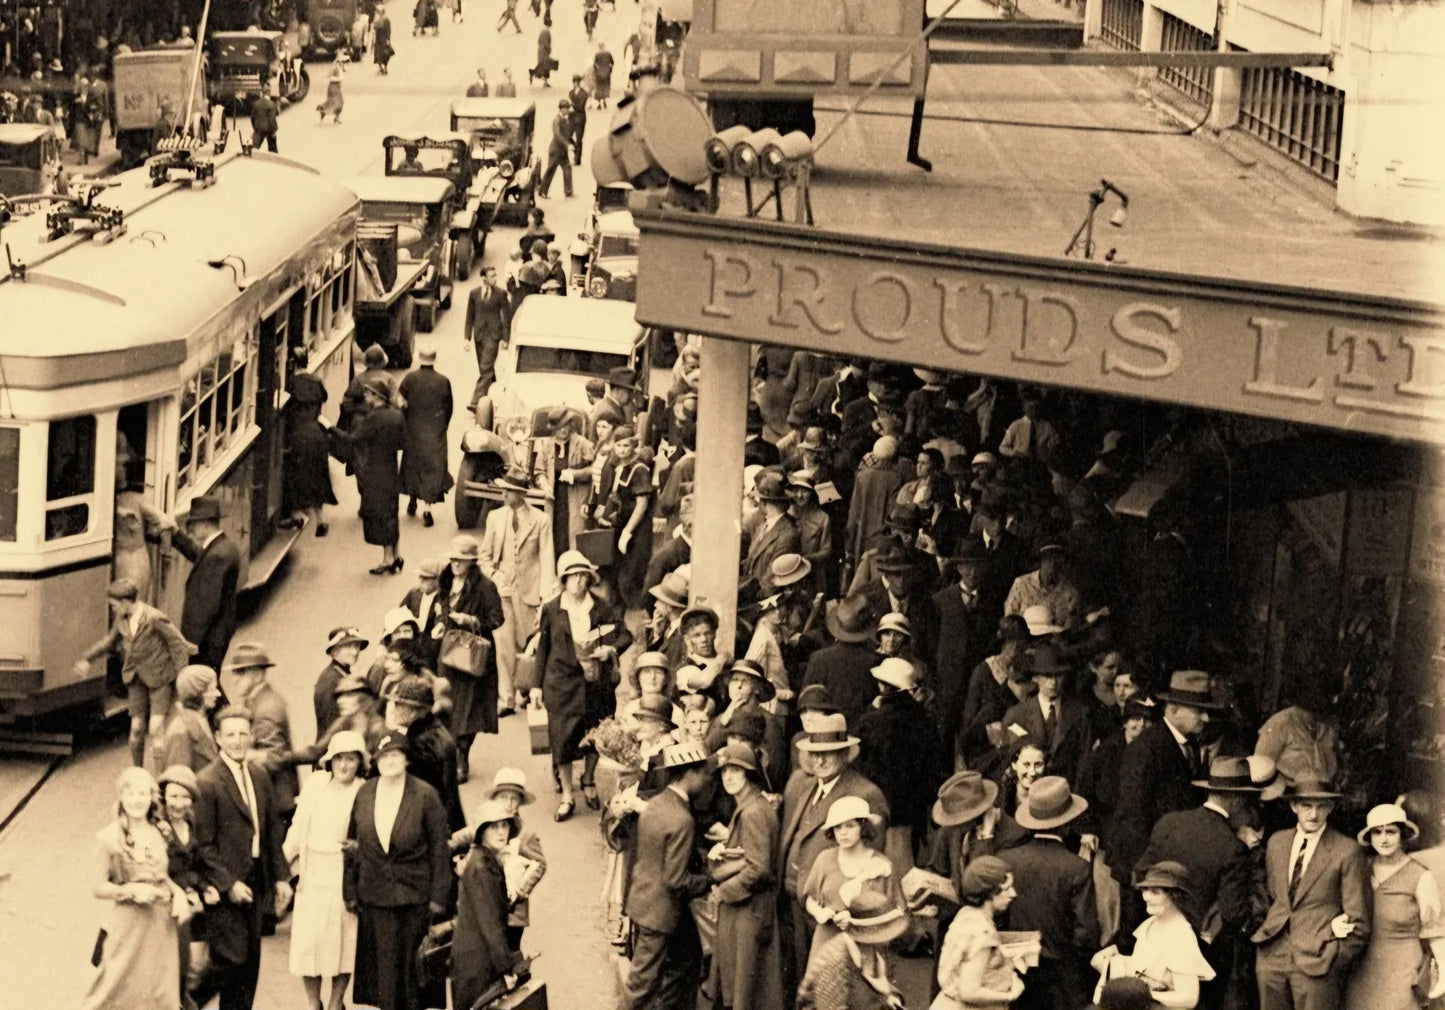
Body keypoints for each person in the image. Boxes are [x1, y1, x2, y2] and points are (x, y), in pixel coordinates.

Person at [780, 713, 890, 997]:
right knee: (798, 980)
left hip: (831, 913)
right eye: (814, 754)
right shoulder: (804, 786)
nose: (820, 761)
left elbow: (871, 866)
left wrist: (843, 908)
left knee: (831, 987)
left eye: (828, 753)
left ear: (844, 754)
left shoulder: (865, 793)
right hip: (794, 902)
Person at [192, 708, 292, 1010]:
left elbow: (271, 831)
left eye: (242, 734)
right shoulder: (207, 781)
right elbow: (203, 846)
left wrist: (281, 877)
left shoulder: (259, 776)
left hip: (255, 882)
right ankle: (184, 1002)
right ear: (218, 738)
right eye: (230, 734)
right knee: (230, 958)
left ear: (251, 736)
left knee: (249, 963)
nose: (237, 741)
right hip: (224, 887)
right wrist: (229, 884)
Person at [344, 733, 451, 1010]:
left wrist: (438, 898)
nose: (390, 761)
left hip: (414, 898)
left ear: (406, 759)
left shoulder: (425, 795)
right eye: (384, 756)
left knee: (413, 978)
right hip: (375, 897)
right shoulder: (365, 793)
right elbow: (352, 844)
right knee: (385, 978)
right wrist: (350, 891)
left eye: (395, 755)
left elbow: (440, 849)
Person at [1252, 778, 1371, 1010]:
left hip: (1318, 963)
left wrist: (1332, 959)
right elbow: (1272, 898)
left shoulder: (1347, 851)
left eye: (1321, 806)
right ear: (1294, 806)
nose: (1314, 814)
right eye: (1307, 805)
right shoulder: (1277, 843)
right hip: (1272, 957)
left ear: (1331, 807)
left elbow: (1359, 922)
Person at [532, 550, 632, 819]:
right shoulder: (552, 609)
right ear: (563, 580)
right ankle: (567, 794)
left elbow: (625, 635)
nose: (578, 581)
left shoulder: (602, 607)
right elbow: (543, 647)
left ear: (589, 578)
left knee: (595, 734)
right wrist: (536, 686)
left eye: (582, 575)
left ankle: (588, 778)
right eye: (572, 576)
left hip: (596, 683)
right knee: (562, 739)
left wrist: (610, 649)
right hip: (561, 684)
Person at [81, 767, 188, 1010]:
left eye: (143, 793)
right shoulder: (108, 838)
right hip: (129, 926)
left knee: (159, 990)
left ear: (151, 798)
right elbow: (97, 887)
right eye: (131, 794)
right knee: (117, 987)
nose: (137, 800)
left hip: (160, 925)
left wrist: (178, 893)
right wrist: (129, 890)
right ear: (121, 797)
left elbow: (161, 875)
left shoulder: (161, 832)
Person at [622, 741, 716, 1010]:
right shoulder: (682, 819)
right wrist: (710, 879)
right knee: (642, 985)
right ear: (690, 774)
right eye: (703, 773)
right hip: (661, 912)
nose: (706, 780)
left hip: (643, 901)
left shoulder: (655, 804)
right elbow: (676, 880)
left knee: (683, 963)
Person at [1112, 670, 1226, 892]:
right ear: (1174, 711)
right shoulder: (1146, 748)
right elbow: (1131, 813)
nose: (1206, 718)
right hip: (1147, 870)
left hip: (1174, 863)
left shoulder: (1190, 744)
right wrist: (1141, 870)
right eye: (1199, 711)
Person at [999, 776, 1098, 1010]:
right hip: (1062, 979)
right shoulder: (1077, 867)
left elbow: (999, 917)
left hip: (1016, 971)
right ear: (1067, 823)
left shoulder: (1007, 859)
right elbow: (1086, 933)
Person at [284, 731, 367, 1010]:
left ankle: (335, 1003)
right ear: (329, 760)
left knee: (343, 944)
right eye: (339, 758)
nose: (344, 765)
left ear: (360, 762)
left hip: (344, 877)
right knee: (309, 945)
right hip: (312, 874)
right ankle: (313, 1004)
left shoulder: (364, 791)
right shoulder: (316, 784)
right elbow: (298, 827)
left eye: (351, 759)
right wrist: (281, 869)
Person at [74, 577, 194, 768]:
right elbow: (109, 641)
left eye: (114, 605)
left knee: (156, 728)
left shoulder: (154, 618)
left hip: (159, 678)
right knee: (136, 729)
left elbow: (178, 644)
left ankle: (161, 776)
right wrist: (87, 658)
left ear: (125, 602)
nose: (113, 609)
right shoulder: (122, 619)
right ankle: (138, 771)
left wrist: (183, 678)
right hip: (135, 679)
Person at [706, 741, 786, 1010]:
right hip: (748, 909)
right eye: (725, 771)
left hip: (749, 910)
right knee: (743, 984)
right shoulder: (751, 805)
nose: (728, 777)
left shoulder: (753, 812)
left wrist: (723, 891)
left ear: (749, 774)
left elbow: (758, 868)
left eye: (736, 771)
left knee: (746, 988)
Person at [1344, 802, 1445, 1009]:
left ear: (1403, 835)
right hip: (1362, 971)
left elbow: (1435, 931)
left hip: (1403, 972)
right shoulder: (1361, 869)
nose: (1384, 839)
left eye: (1391, 832)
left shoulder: (1420, 876)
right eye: (1377, 832)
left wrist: (1443, 971)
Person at [856, 656, 947, 873]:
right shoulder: (925, 719)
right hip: (912, 809)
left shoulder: (872, 720)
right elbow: (934, 766)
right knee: (906, 865)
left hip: (877, 805)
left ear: (883, 687)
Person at [1093, 861, 1216, 1009]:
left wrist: (1144, 994)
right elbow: (1144, 970)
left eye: (1155, 892)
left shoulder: (1181, 937)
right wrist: (1113, 963)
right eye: (1145, 890)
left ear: (1175, 896)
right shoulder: (1150, 924)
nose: (1146, 897)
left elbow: (1189, 998)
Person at [802, 796, 904, 973]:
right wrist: (819, 912)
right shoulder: (824, 860)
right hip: (827, 943)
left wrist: (856, 921)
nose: (843, 833)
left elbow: (898, 913)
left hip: (867, 946)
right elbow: (810, 898)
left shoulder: (882, 865)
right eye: (838, 827)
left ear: (863, 827)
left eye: (850, 826)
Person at [435, 534, 506, 782]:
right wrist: (441, 621)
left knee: (469, 710)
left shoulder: (485, 587)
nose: (455, 564)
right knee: (447, 704)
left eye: (461, 560)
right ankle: (450, 754)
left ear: (472, 562)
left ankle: (461, 756)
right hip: (449, 651)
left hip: (473, 655)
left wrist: (471, 620)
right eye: (453, 559)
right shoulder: (445, 581)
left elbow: (497, 618)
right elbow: (440, 607)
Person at [480, 469, 550, 716]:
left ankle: (526, 688)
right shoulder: (495, 517)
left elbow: (546, 556)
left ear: (521, 494)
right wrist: (494, 576)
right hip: (502, 591)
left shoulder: (541, 519)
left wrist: (546, 594)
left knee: (527, 644)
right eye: (504, 489)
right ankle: (506, 698)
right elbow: (484, 556)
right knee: (503, 646)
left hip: (529, 589)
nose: (504, 494)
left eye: (509, 491)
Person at [324, 378, 406, 574]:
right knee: (391, 512)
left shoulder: (373, 418)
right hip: (391, 469)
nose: (366, 397)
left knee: (380, 514)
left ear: (377, 397)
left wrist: (330, 428)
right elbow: (402, 443)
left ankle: (387, 560)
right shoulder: (396, 415)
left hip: (376, 471)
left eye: (368, 394)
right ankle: (397, 555)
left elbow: (353, 439)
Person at [452, 798, 524, 1009]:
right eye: (494, 827)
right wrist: (505, 969)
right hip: (478, 962)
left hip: (477, 956)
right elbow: (490, 924)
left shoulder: (484, 859)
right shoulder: (481, 867)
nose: (501, 832)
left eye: (504, 825)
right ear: (482, 832)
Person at [931, 855, 1024, 1010]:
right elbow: (970, 991)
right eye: (1007, 889)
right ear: (989, 893)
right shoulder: (983, 933)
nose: (1013, 893)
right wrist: (1010, 995)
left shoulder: (966, 913)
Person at [795, 889, 909, 1010]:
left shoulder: (874, 951)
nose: (890, 939)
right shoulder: (835, 961)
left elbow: (881, 986)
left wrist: (890, 996)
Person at [225, 643, 299, 826]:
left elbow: (273, 758)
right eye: (235, 672)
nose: (234, 679)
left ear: (257, 675)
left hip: (276, 803)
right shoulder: (258, 700)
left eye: (240, 672)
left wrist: (237, 756)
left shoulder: (267, 708)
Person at [381, 674, 465, 832]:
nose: (396, 709)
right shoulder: (434, 731)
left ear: (418, 710)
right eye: (396, 703)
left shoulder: (419, 743)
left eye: (402, 705)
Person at [158, 764, 209, 1004]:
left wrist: (202, 888)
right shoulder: (156, 827)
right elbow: (153, 870)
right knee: (173, 970)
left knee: (198, 966)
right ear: (163, 796)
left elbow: (199, 862)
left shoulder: (193, 822)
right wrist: (181, 891)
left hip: (194, 904)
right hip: (167, 906)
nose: (179, 804)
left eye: (185, 797)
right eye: (174, 796)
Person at [172, 495, 241, 672]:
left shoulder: (217, 555)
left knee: (203, 681)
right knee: (208, 680)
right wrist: (175, 535)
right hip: (215, 635)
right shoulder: (222, 546)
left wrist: (191, 641)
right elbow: (199, 556)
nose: (191, 530)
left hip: (208, 639)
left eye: (193, 525)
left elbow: (207, 604)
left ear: (204, 525)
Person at [801, 594, 880, 727]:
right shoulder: (877, 661)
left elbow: (805, 701)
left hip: (826, 731)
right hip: (864, 732)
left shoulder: (818, 659)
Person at [398, 347, 454, 528]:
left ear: (419, 359)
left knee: (413, 466)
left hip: (413, 432)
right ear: (434, 361)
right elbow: (448, 408)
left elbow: (400, 405)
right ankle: (427, 509)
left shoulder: (409, 379)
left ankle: (412, 500)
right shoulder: (443, 381)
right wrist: (442, 427)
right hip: (434, 433)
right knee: (431, 470)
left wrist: (406, 425)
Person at [281, 358, 337, 536]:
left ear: (293, 365)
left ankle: (296, 515)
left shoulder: (291, 384)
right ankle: (321, 521)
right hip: (317, 434)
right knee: (318, 476)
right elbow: (324, 397)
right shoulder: (316, 382)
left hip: (298, 436)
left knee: (296, 476)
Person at [541, 406, 596, 557]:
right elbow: (539, 470)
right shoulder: (547, 445)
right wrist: (543, 483)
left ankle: (572, 564)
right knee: (554, 534)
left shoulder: (583, 444)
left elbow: (595, 470)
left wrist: (575, 474)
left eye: (566, 425)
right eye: (559, 427)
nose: (563, 430)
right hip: (555, 497)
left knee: (573, 534)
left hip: (575, 497)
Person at [464, 264, 511, 404]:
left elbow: (506, 317)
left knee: (486, 367)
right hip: (478, 336)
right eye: (491, 276)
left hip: (493, 336)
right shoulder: (474, 294)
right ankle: (493, 394)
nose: (495, 279)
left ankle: (475, 401)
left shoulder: (501, 294)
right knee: (486, 369)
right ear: (483, 278)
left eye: (495, 276)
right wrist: (466, 338)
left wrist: (506, 338)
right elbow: (469, 317)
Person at [163, 665, 222, 771]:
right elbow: (179, 776)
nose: (218, 694)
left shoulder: (199, 719)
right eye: (211, 689)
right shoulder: (180, 733)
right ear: (196, 693)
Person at [314, 628, 368, 739]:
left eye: (356, 646)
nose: (355, 652)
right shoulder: (330, 681)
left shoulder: (341, 673)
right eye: (348, 646)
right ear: (334, 651)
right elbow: (331, 724)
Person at [538, 98, 574, 198]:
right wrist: (567, 145)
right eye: (565, 108)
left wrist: (572, 143)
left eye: (567, 108)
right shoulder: (557, 120)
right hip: (556, 150)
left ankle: (568, 191)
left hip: (562, 151)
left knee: (567, 168)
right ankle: (542, 191)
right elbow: (557, 135)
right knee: (551, 170)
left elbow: (566, 135)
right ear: (561, 109)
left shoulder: (565, 120)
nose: (567, 110)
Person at [567, 74, 588, 162]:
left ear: (579, 82)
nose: (575, 83)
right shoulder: (571, 93)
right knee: (567, 136)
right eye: (574, 82)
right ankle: (576, 148)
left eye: (577, 82)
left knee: (579, 139)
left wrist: (572, 105)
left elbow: (581, 106)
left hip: (580, 119)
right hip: (571, 118)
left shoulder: (584, 94)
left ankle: (577, 159)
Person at [592, 42, 614, 107]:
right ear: (604, 46)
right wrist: (609, 70)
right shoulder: (608, 54)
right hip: (606, 74)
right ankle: (604, 102)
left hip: (599, 74)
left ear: (599, 47)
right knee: (605, 88)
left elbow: (595, 64)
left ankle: (599, 104)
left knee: (599, 88)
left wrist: (596, 72)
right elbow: (612, 63)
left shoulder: (597, 54)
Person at [373, 8, 393, 72]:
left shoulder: (385, 20)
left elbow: (388, 31)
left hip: (382, 39)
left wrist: (388, 39)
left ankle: (384, 68)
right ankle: (382, 67)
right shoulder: (379, 19)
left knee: (383, 54)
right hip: (380, 39)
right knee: (379, 54)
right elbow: (375, 28)